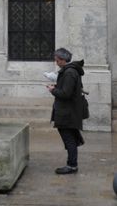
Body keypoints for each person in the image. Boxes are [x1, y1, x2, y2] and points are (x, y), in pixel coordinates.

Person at [46, 47, 86, 175]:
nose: (56, 62)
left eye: (57, 60)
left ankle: (72, 165)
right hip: (69, 111)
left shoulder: (69, 72)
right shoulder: (70, 71)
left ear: (63, 60)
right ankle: (72, 164)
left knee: (69, 139)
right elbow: (69, 89)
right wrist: (57, 87)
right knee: (71, 139)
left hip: (67, 112)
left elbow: (66, 94)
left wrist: (53, 90)